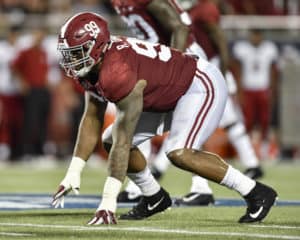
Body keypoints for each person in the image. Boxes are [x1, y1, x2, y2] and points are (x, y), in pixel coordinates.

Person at [52, 12, 277, 225]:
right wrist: (73, 171)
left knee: (180, 153)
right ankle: (154, 196)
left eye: (78, 51)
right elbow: (92, 118)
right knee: (109, 139)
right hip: (167, 93)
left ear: (98, 46)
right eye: (69, 52)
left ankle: (256, 192)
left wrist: (107, 204)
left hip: (197, 84)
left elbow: (124, 138)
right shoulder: (94, 67)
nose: (71, 59)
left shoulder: (116, 72)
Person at [111, 0, 264, 206]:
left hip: (180, 60)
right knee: (149, 121)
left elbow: (180, 28)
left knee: (169, 125)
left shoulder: (200, 9)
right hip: (162, 58)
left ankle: (243, 179)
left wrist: (169, 67)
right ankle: (190, 187)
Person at [232, 29, 279, 158]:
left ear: (262, 36)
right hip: (248, 89)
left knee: (264, 120)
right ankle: (246, 151)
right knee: (247, 121)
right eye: (253, 35)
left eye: (258, 35)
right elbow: (237, 70)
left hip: (263, 88)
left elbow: (273, 72)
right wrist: (239, 90)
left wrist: (273, 91)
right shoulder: (242, 48)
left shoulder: (269, 48)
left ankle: (264, 149)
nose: (255, 38)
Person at [12, 26, 51, 158]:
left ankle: (39, 151)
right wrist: (22, 83)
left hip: (43, 90)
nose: (40, 38)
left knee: (42, 121)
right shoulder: (25, 52)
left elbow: (44, 71)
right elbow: (14, 68)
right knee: (30, 121)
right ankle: (26, 151)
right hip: (31, 90)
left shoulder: (43, 53)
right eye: (38, 35)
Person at [0, 26, 23, 161]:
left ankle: (14, 149)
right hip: (4, 89)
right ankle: (4, 147)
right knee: (5, 120)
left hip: (16, 91)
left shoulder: (20, 49)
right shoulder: (2, 48)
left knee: (17, 121)